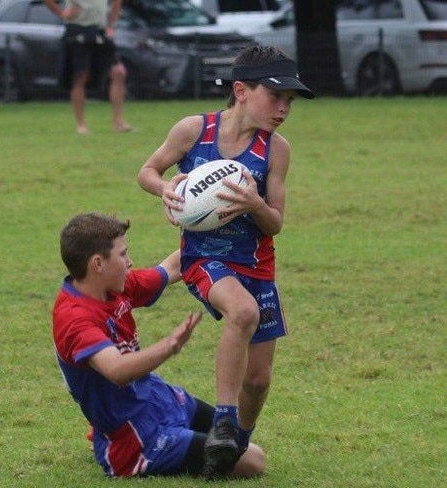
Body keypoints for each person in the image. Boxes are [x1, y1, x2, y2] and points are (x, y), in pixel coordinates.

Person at [137, 45, 314, 478]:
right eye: (276, 97)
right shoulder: (193, 131)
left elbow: (274, 224)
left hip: (257, 265)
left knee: (259, 380)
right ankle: (223, 419)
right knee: (243, 311)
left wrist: (255, 202)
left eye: (289, 101)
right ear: (240, 90)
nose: (284, 108)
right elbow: (147, 171)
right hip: (203, 259)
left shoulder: (277, 151)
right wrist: (164, 190)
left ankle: (234, 441)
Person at [52, 212, 265, 479]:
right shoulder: (74, 318)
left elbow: (172, 267)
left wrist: (216, 229)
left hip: (157, 399)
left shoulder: (116, 286)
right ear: (98, 263)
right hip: (135, 438)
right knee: (254, 460)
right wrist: (169, 346)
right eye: (123, 255)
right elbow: (116, 370)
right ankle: (114, 439)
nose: (130, 263)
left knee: (235, 436)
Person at [42, 0, 133, 135]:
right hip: (78, 30)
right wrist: (61, 13)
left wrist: (111, 24)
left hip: (99, 31)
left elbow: (117, 2)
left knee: (119, 72)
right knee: (80, 76)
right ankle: (81, 125)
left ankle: (118, 122)